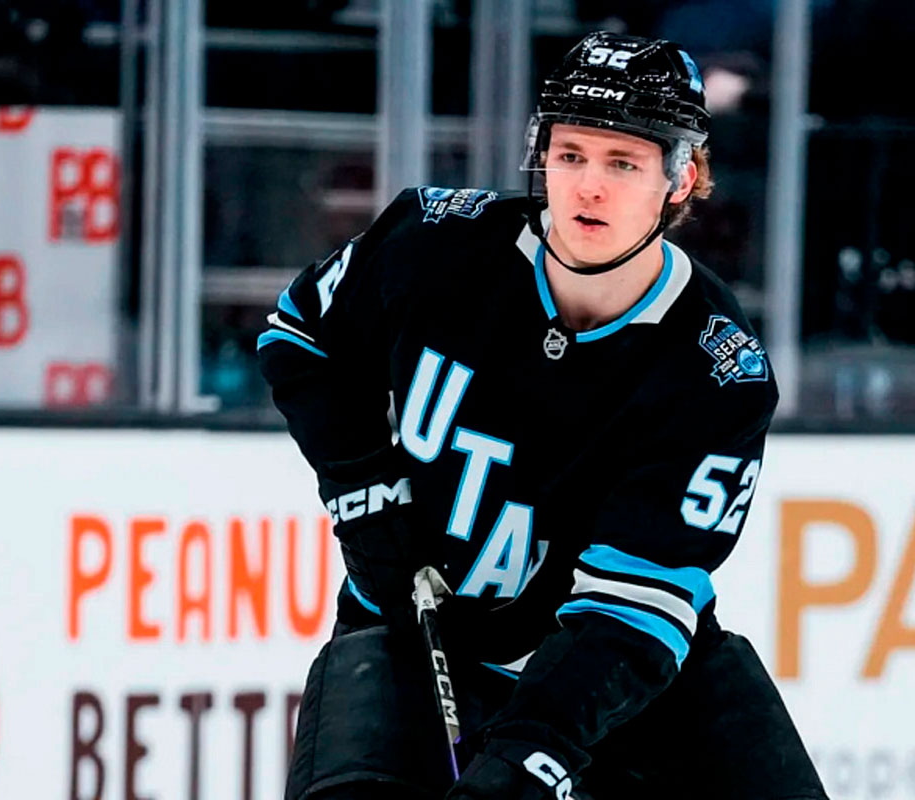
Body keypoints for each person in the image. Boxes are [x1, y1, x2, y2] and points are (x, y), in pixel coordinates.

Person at [259, 31, 828, 800]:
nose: (588, 187)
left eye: (623, 163)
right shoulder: (436, 242)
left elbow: (633, 609)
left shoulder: (714, 369)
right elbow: (299, 337)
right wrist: (364, 485)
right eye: (570, 155)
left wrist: (531, 752)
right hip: (414, 634)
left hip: (623, 684)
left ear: (681, 178)